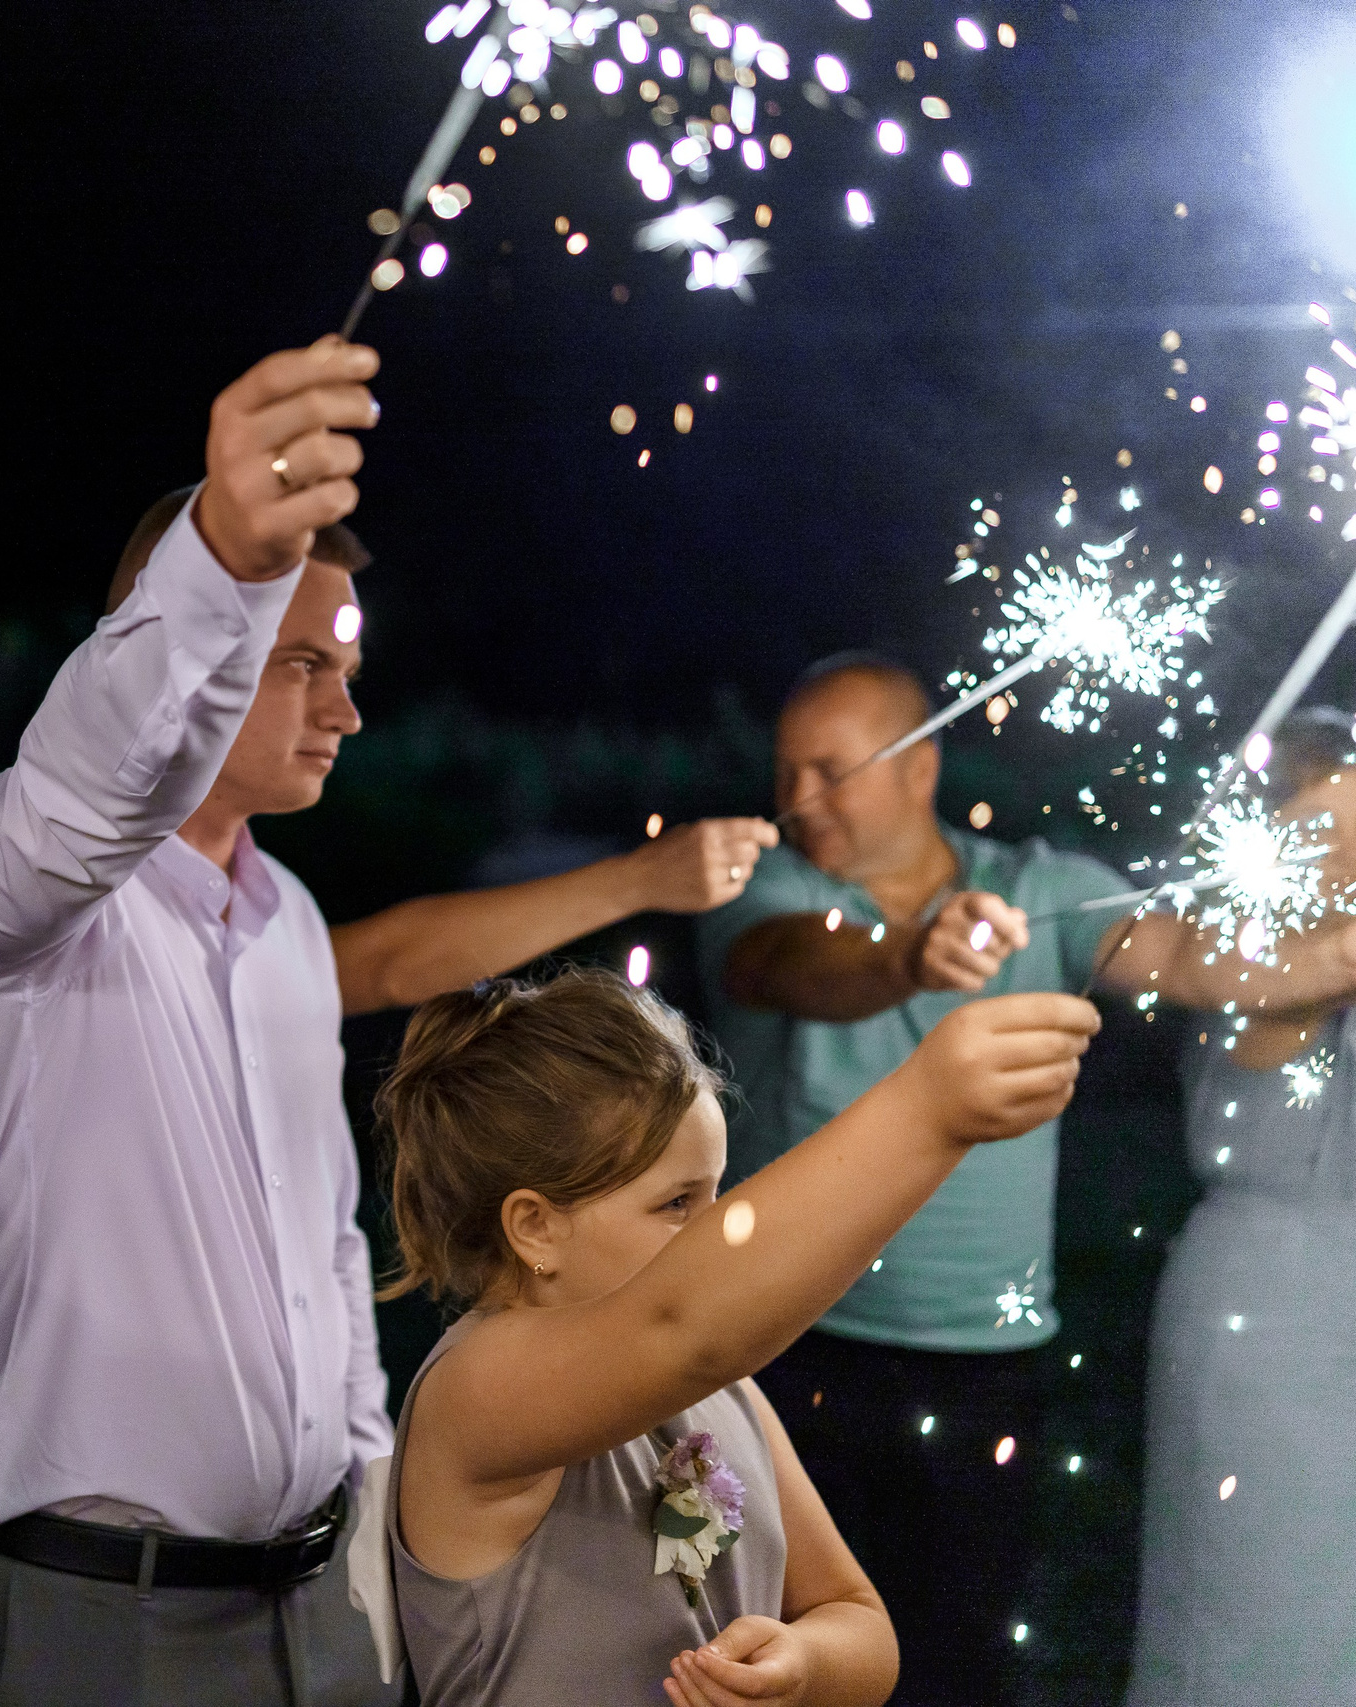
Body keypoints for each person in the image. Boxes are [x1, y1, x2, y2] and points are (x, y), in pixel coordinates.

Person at [0, 337, 777, 1707]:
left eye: (346, 664)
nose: (348, 708)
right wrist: (225, 556)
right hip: (92, 1612)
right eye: (299, 661)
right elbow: (89, 782)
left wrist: (367, 1515)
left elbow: (323, 1257)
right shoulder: (10, 893)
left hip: (314, 1606)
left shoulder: (288, 918)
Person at [367, 970, 1098, 1705]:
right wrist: (930, 1111)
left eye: (717, 1191)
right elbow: (683, 1327)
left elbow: (858, 1621)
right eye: (678, 1202)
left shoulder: (726, 1390)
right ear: (536, 1226)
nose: (713, 1230)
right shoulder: (474, 1391)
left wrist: (804, 1661)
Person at [693, 650, 1146, 1703]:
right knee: (752, 1650)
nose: (797, 799)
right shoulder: (771, 878)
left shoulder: (1044, 888)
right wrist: (906, 957)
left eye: (829, 769)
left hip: (982, 1359)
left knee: (955, 1657)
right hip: (780, 1340)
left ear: (918, 768)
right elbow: (784, 960)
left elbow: (1197, 953)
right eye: (785, 770)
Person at [1120, 710, 1356, 1704]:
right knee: (1263, 1619)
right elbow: (1294, 984)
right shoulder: (1243, 948)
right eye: (1329, 831)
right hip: (1277, 1320)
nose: (1347, 856)